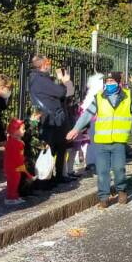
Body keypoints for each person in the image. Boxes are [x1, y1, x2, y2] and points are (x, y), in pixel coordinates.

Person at [67, 73, 132, 208]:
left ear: (118, 83)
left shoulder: (128, 98)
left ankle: (121, 190)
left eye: (112, 81)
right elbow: (87, 115)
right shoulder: (99, 97)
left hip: (119, 142)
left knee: (119, 169)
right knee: (102, 171)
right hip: (101, 141)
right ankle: (103, 198)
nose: (109, 83)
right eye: (107, 81)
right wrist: (75, 129)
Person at [28, 55, 76, 185]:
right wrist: (66, 81)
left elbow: (63, 94)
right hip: (50, 119)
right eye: (48, 63)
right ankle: (46, 178)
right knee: (51, 149)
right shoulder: (39, 79)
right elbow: (62, 92)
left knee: (60, 147)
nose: (50, 66)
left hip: (54, 118)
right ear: (43, 65)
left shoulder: (40, 78)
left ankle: (57, 175)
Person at [3, 118, 33, 207]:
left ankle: (14, 196)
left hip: (12, 166)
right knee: (14, 182)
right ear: (15, 131)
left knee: (13, 182)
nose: (24, 131)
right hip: (14, 167)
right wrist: (22, 163)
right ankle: (11, 198)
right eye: (22, 129)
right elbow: (18, 157)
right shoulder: (16, 143)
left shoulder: (12, 141)